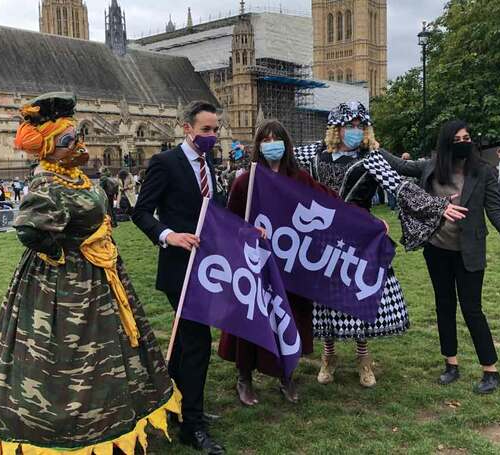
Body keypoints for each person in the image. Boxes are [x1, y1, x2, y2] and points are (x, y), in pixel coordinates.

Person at [0, 92, 181, 454]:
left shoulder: (76, 178)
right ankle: (64, 426)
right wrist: (64, 252)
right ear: (49, 148)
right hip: (66, 283)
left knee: (117, 343)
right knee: (64, 353)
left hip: (101, 274)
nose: (79, 145)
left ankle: (119, 410)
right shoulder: (47, 183)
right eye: (69, 141)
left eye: (78, 138)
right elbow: (29, 229)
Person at [382, 119, 500, 394]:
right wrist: (371, 145)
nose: (464, 143)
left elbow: (498, 213)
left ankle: (491, 370)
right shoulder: (431, 167)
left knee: (472, 308)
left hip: (470, 251)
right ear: (446, 143)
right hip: (437, 250)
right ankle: (450, 364)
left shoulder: (483, 172)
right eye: (458, 139)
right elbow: (399, 165)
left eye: (467, 138)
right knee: (444, 305)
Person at [292, 101, 410, 389]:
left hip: (358, 238)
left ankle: (363, 358)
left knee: (358, 296)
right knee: (326, 298)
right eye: (349, 126)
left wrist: (434, 203)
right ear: (336, 128)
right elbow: (281, 155)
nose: (355, 131)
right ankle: (328, 356)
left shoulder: (371, 158)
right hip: (322, 238)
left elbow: (400, 180)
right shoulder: (313, 154)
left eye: (360, 126)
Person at [218, 119, 336, 406]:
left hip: (291, 267)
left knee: (290, 319)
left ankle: (286, 375)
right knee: (251, 319)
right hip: (255, 265)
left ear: (286, 143)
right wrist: (248, 233)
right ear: (258, 145)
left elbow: (331, 204)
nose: (272, 144)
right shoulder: (246, 180)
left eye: (277, 138)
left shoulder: (300, 179)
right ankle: (244, 377)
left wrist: (366, 220)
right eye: (266, 139)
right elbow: (230, 222)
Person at [133, 100, 225, 455]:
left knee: (186, 342)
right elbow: (140, 211)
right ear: (187, 128)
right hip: (178, 270)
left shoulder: (209, 165)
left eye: (215, 129)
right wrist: (167, 235)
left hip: (207, 270)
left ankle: (175, 405)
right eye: (206, 130)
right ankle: (193, 426)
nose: (212, 136)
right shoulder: (164, 163)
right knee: (198, 340)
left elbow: (214, 211)